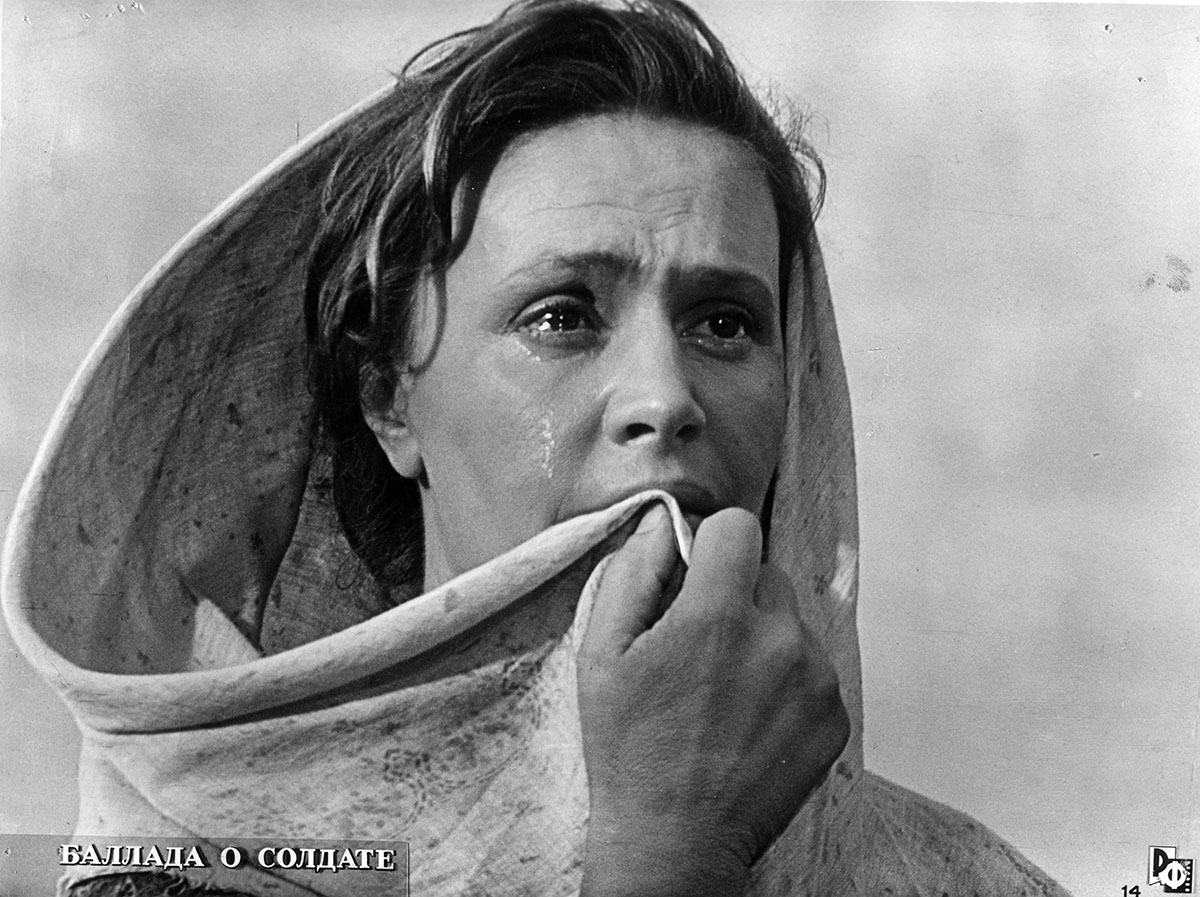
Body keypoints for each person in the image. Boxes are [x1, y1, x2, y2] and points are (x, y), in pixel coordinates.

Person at [0, 1, 1070, 895]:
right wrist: (669, 851)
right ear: (390, 402)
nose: (665, 399)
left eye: (725, 323)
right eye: (561, 316)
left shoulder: (960, 881)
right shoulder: (189, 865)